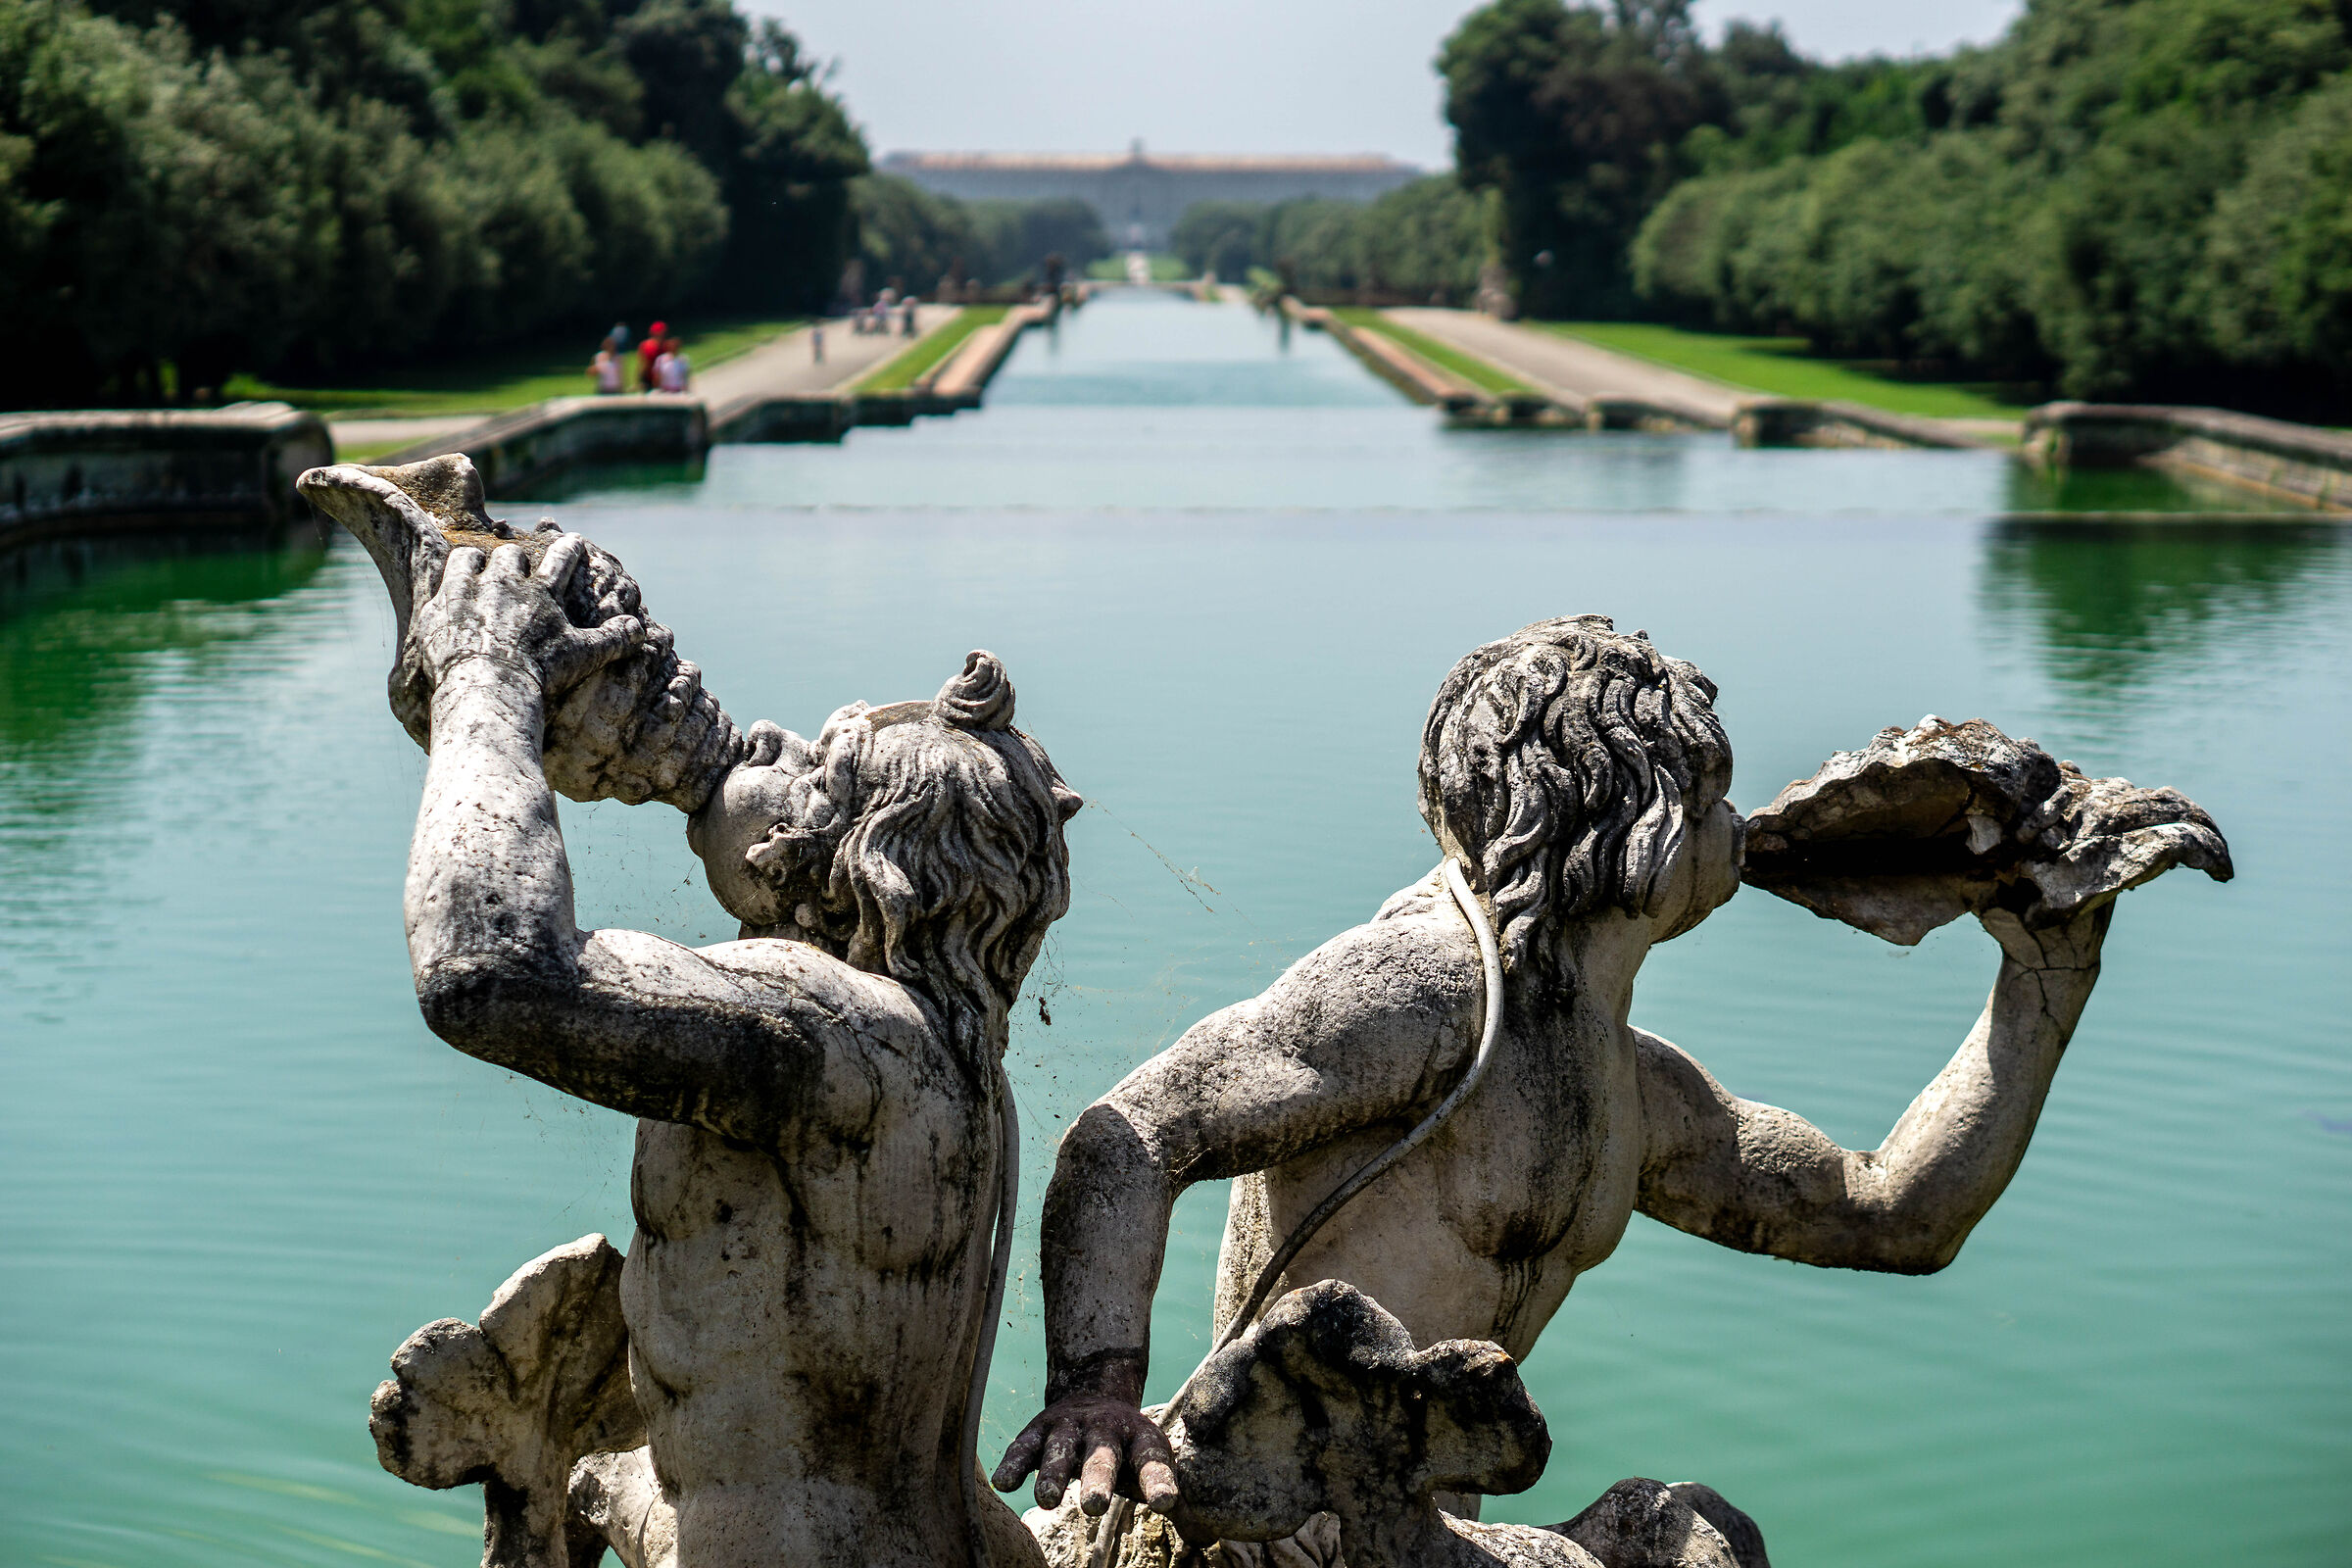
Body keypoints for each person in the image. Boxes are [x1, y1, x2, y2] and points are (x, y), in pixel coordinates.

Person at [994, 614, 2203, 1533]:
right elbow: (1130, 1132)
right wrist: (1100, 1388)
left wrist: (2045, 984)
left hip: (1419, 1524)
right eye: (1712, 792)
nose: (1739, 821)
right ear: (1644, 820)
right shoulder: (1420, 996)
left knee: (1688, 1536)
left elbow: (1892, 1214)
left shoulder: (1623, 1081)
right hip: (1266, 1511)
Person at [333, 495, 1083, 1566]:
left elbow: (489, 968)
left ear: (850, 871)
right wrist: (585, 1484)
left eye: (814, 770)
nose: (769, 740)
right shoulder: (949, 1059)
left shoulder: (831, 1036)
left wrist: (485, 676)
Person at [637, 320, 667, 393]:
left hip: (662, 379)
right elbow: (642, 364)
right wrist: (640, 380)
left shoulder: (665, 346)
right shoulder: (646, 346)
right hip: (649, 379)